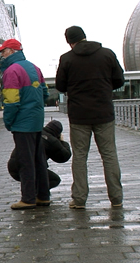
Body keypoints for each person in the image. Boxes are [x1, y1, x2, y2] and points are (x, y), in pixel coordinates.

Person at [55, 26, 124, 209]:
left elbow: (60, 86)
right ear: (84, 37)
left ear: (69, 41)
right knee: (109, 155)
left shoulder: (67, 59)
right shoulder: (107, 54)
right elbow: (119, 80)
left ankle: (79, 199)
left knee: (80, 157)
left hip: (79, 115)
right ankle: (116, 198)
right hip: (104, 113)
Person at [0, 38, 50, 210]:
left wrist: (8, 121)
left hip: (22, 123)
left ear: (12, 52)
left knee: (25, 161)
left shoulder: (12, 71)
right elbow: (45, 93)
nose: (2, 55)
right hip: (36, 121)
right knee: (39, 159)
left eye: (3, 51)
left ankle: (28, 198)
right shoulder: (35, 68)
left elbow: (11, 101)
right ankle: (43, 196)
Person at [8, 120, 72, 189]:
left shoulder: (34, 131)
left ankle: (31, 193)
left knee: (34, 177)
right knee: (54, 180)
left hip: (13, 167)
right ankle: (37, 195)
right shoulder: (52, 140)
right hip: (29, 169)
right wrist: (62, 142)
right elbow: (64, 156)